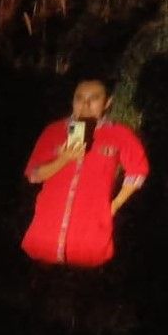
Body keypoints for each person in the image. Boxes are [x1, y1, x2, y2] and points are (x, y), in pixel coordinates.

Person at [22, 76, 149, 267]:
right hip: (45, 236)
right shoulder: (55, 131)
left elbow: (138, 171)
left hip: (89, 240)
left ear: (107, 103)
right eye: (79, 98)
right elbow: (34, 175)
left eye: (94, 98)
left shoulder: (119, 134)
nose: (85, 105)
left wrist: (113, 206)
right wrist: (64, 159)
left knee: (84, 288)